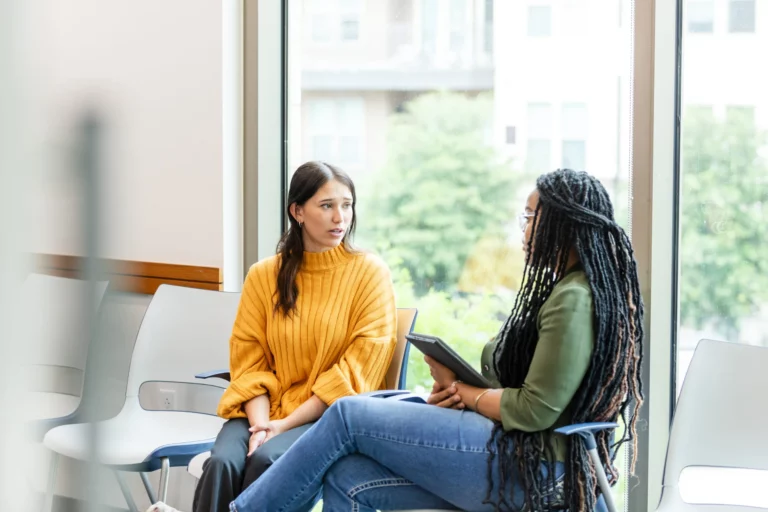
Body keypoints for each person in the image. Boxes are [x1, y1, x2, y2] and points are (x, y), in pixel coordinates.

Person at [222, 169, 644, 512]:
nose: (524, 226)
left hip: (536, 471)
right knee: (346, 477)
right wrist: (462, 393)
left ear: (561, 225)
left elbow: (535, 410)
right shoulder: (564, 291)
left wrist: (466, 391)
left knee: (349, 415)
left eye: (531, 216)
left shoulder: (573, 300)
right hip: (511, 452)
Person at [147, 161, 398, 512]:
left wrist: (281, 427)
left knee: (266, 461)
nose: (340, 218)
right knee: (221, 463)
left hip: (329, 419)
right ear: (298, 211)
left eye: (347, 204)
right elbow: (249, 361)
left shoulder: (370, 274)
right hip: (262, 410)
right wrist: (262, 425)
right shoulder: (265, 275)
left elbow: (354, 376)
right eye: (326, 206)